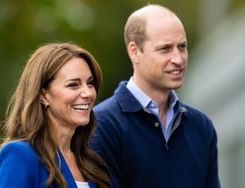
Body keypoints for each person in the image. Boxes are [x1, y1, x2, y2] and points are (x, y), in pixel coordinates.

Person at [91, 4, 221, 188]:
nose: (178, 59)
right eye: (165, 49)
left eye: (182, 46)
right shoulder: (102, 125)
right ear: (134, 52)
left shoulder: (202, 128)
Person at [0, 42, 111, 188]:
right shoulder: (20, 155)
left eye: (90, 83)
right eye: (73, 85)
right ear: (44, 95)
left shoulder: (91, 161)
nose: (88, 93)